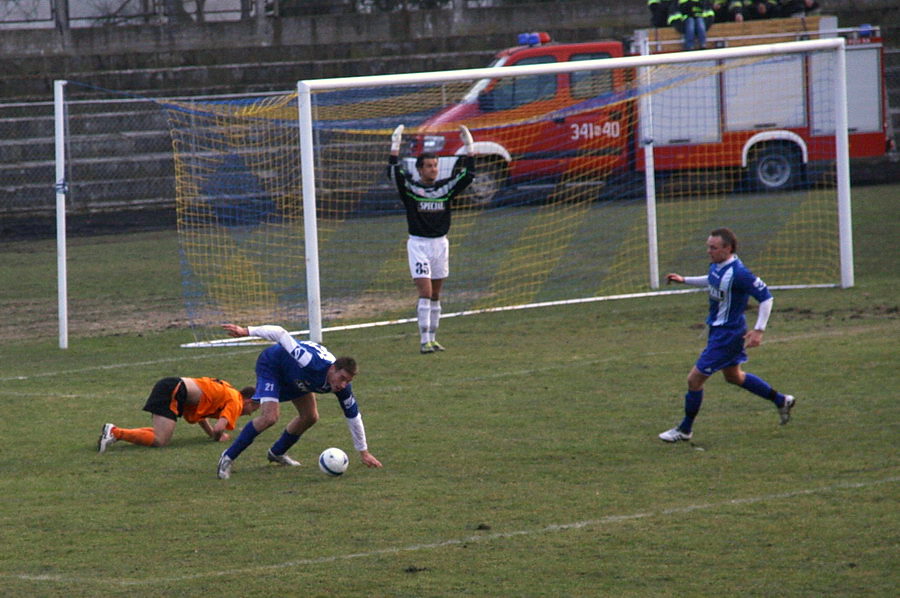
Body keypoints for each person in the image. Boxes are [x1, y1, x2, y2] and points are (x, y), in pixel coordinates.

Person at [659, 227, 795, 442]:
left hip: (728, 335)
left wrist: (759, 330)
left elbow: (766, 298)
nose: (708, 251)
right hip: (719, 331)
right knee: (734, 377)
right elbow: (711, 279)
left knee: (694, 380)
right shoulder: (717, 266)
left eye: (713, 247)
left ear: (727, 248)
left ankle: (684, 429)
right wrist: (684, 280)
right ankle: (780, 400)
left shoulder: (740, 273)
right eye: (708, 247)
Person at [216, 323, 383, 479]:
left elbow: (353, 416)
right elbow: (280, 333)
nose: (342, 385)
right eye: (342, 378)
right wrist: (246, 331)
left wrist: (364, 452)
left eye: (347, 381)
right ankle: (228, 457)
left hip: (298, 378)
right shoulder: (310, 361)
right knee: (270, 417)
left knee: (310, 417)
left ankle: (277, 453)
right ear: (333, 368)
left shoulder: (342, 387)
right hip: (273, 365)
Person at [388, 123, 476, 354]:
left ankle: (433, 338)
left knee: (436, 294)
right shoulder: (410, 190)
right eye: (428, 166)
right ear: (419, 169)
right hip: (419, 245)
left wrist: (469, 147)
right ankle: (424, 340)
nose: (433, 169)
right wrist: (395, 146)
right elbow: (394, 173)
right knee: (425, 292)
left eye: (435, 165)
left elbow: (469, 175)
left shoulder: (445, 189)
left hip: (440, 244)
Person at [97, 376, 258, 452]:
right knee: (161, 441)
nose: (250, 414)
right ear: (249, 401)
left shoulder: (228, 393)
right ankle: (114, 432)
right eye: (253, 410)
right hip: (174, 390)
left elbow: (201, 416)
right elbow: (218, 429)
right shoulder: (236, 401)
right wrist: (218, 437)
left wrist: (211, 435)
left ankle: (115, 433)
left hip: (172, 386)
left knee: (161, 436)